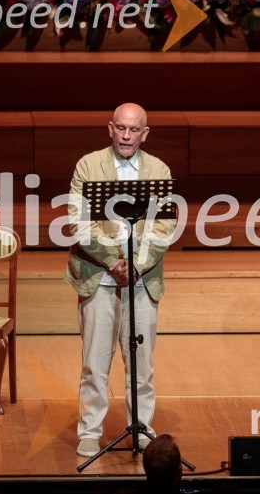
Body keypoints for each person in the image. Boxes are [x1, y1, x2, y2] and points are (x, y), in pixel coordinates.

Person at [65, 103, 176, 457]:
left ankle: (141, 429)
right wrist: (114, 261)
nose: (127, 136)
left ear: (145, 133)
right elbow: (79, 223)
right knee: (95, 363)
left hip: (141, 281)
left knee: (141, 364)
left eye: (134, 130)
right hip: (99, 276)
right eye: (121, 129)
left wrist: (136, 266)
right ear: (110, 128)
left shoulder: (158, 170)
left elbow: (164, 226)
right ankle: (90, 431)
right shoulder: (88, 165)